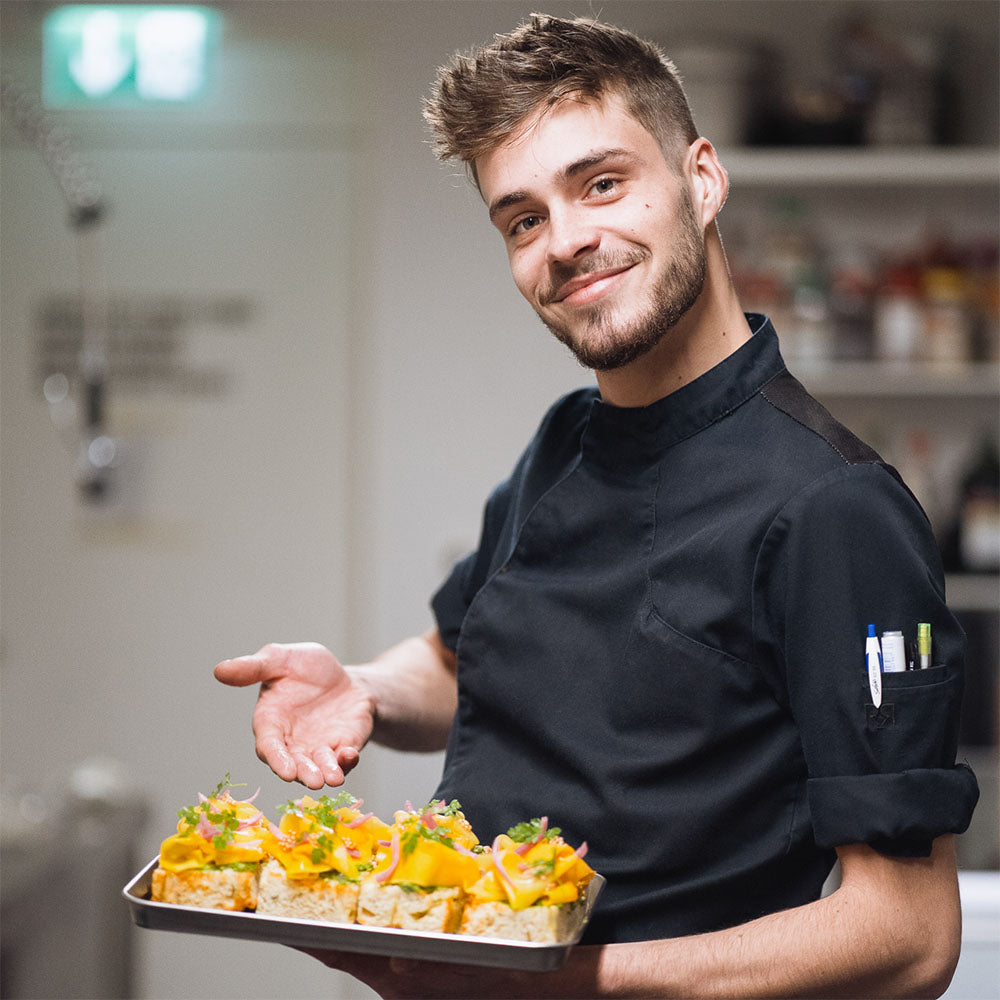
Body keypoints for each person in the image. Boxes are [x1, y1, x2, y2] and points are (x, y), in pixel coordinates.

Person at [215, 14, 979, 998]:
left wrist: (547, 980)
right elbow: (465, 658)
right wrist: (363, 687)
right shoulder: (564, 442)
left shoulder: (834, 509)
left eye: (601, 183)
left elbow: (907, 934)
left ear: (701, 180)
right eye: (522, 218)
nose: (567, 240)